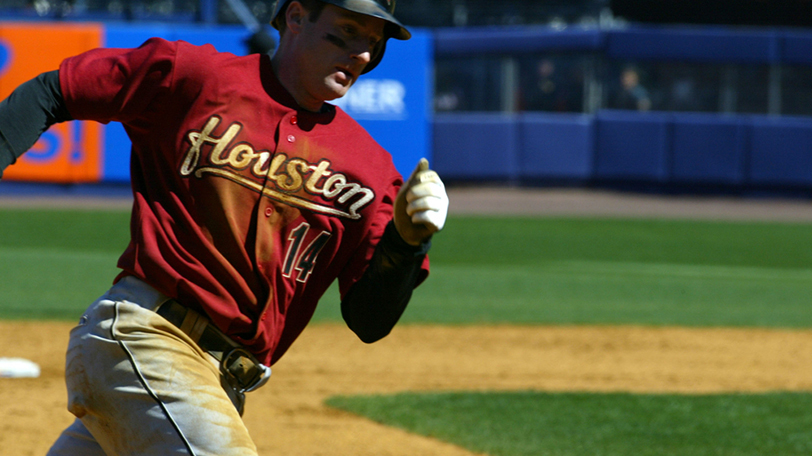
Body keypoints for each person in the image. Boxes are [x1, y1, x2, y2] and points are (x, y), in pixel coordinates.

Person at [0, 0, 449, 454]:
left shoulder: (372, 169)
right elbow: (55, 90)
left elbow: (369, 319)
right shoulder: (195, 76)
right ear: (295, 17)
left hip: (219, 385)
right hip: (145, 340)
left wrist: (407, 242)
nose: (362, 54)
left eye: (373, 43)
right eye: (346, 32)